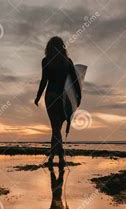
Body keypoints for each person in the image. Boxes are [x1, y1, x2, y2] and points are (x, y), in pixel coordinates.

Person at [34, 36, 81, 168]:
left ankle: (54, 157)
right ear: (62, 47)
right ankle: (58, 158)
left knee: (56, 129)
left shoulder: (46, 60)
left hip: (50, 96)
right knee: (56, 128)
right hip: (63, 99)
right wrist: (78, 97)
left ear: (48, 47)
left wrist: (38, 96)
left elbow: (44, 80)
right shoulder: (68, 61)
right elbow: (75, 81)